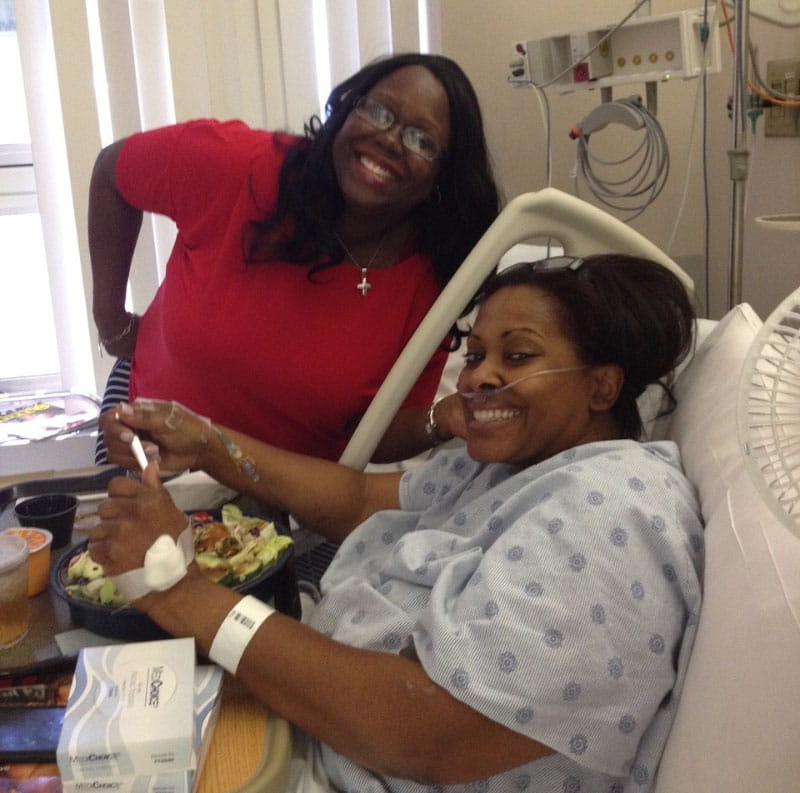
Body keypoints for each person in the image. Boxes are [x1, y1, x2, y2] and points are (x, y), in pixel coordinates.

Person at [92, 253, 704, 793]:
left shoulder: (613, 509)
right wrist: (208, 442)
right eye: (476, 356)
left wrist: (175, 587)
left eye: (516, 356)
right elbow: (359, 498)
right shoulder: (513, 464)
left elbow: (431, 734)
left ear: (602, 386)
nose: (477, 377)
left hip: (348, 763)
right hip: (308, 714)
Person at [90, 53, 500, 465]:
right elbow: (113, 171)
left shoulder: (433, 278)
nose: (390, 140)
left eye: (421, 140)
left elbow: (371, 433)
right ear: (345, 111)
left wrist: (443, 419)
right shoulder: (242, 167)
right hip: (154, 455)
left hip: (284, 497)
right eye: (379, 112)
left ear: (441, 179)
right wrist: (111, 322)